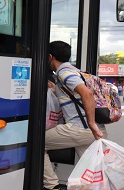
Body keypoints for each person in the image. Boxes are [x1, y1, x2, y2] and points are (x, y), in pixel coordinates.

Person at [44, 41, 106, 190]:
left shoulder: (64, 72)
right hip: (94, 131)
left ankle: (51, 186)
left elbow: (86, 93)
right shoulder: (74, 71)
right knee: (92, 178)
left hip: (80, 129)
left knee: (35, 143)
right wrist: (54, 88)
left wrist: (90, 123)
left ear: (50, 57)